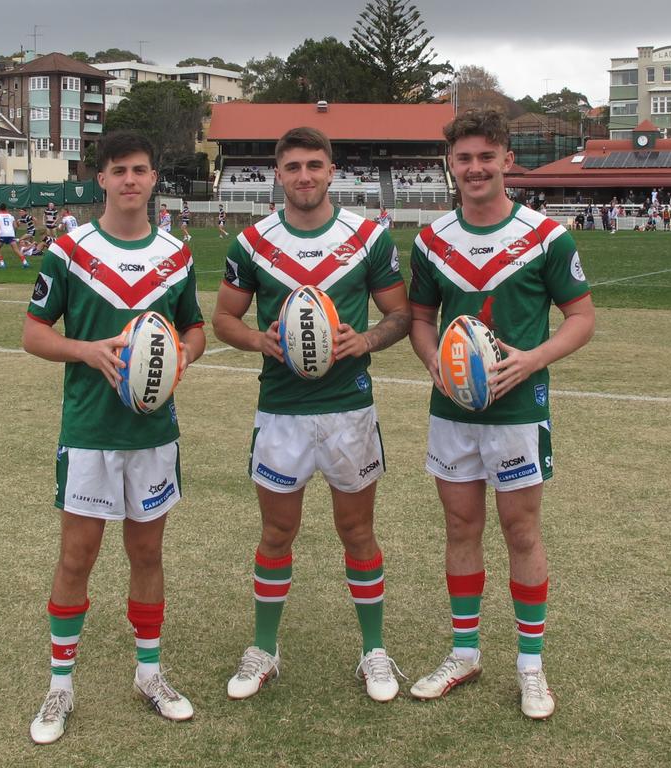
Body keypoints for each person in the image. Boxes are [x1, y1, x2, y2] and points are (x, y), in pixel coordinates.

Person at [406, 109, 594, 720]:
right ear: (451, 165)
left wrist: (532, 359)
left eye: (487, 156)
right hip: (452, 412)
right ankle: (464, 653)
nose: (476, 168)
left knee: (521, 531)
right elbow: (418, 320)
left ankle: (531, 666)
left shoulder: (546, 237)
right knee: (460, 529)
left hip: (518, 411)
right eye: (464, 158)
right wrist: (434, 362)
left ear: (507, 160)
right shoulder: (431, 240)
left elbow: (582, 319)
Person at [212, 126, 411, 703]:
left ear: (332, 172)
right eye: (293, 166)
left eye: (315, 165)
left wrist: (364, 341)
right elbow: (225, 318)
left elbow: (398, 315)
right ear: (278, 173)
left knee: (357, 530)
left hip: (349, 409)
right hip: (281, 411)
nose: (304, 176)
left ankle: (373, 651)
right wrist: (258, 342)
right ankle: (264, 649)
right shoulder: (251, 243)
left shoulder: (368, 238)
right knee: (277, 532)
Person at [22, 130, 206, 745]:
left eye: (141, 170)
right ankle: (60, 685)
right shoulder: (70, 252)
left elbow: (196, 332)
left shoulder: (177, 255)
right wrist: (88, 350)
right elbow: (34, 333)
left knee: (147, 555)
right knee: (78, 557)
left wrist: (178, 356)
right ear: (100, 179)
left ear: (155, 179)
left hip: (153, 434)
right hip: (91, 430)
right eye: (119, 170)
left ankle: (149, 673)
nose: (131, 180)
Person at [0, 203, 29, 269]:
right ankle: (25, 262)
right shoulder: (11, 216)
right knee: (16, 249)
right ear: (6, 208)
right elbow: (15, 226)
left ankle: (2, 264)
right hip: (11, 234)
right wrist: (13, 234)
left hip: (2, 234)